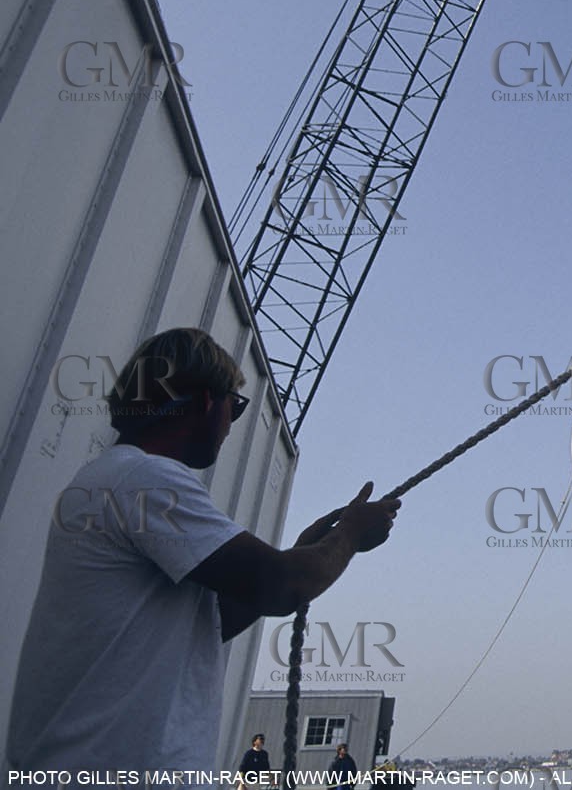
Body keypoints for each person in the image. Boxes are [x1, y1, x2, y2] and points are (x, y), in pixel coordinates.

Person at [7, 327, 401, 773]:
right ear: (205, 402)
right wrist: (348, 536)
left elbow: (219, 617)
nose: (231, 423)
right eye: (234, 405)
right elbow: (278, 585)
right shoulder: (144, 480)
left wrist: (304, 550)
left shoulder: (117, 478)